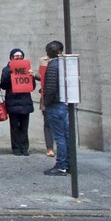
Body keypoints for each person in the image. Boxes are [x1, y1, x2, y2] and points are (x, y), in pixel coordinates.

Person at [0, 48, 36, 156]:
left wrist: (31, 77)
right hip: (13, 101)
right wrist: (9, 72)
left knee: (24, 127)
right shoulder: (6, 70)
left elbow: (32, 87)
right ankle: (16, 148)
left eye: (21, 56)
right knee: (14, 126)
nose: (19, 58)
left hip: (25, 101)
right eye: (16, 56)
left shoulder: (27, 69)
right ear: (11, 58)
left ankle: (24, 148)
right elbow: (4, 85)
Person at [42, 40, 70, 176]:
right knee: (65, 135)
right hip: (64, 102)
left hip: (55, 103)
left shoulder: (53, 66)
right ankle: (67, 163)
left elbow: (51, 87)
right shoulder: (65, 64)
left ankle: (61, 165)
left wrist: (46, 102)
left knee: (59, 136)